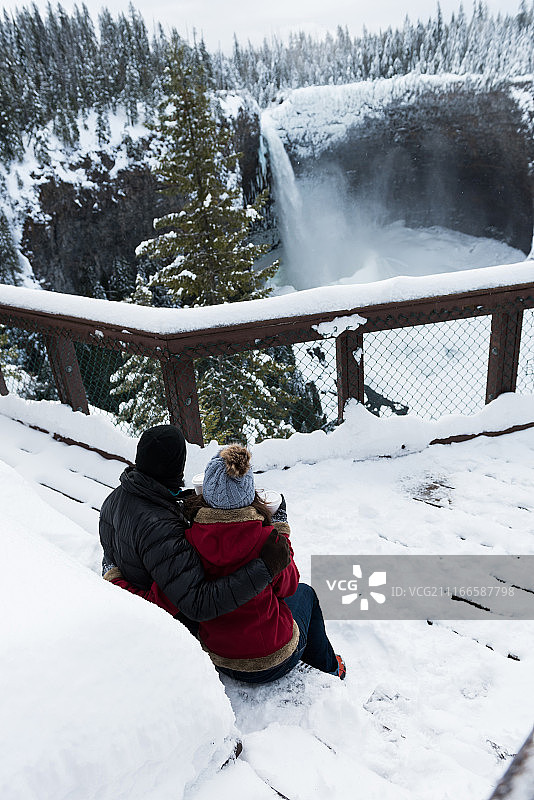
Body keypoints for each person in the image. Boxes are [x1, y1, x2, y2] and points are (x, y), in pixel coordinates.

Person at [99, 425, 291, 628]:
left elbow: (117, 548)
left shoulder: (114, 499)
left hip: (155, 594)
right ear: (178, 465)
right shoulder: (163, 529)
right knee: (304, 595)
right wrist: (265, 569)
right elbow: (198, 603)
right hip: (174, 625)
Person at [185, 443, 346, 683]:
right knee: (306, 594)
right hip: (273, 659)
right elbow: (288, 587)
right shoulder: (265, 539)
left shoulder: (190, 538)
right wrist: (280, 533)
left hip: (219, 658)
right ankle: (330, 666)